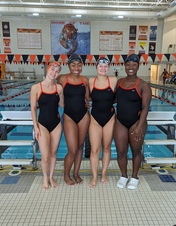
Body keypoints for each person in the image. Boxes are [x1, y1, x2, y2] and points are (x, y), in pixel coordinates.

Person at [114, 54, 152, 190]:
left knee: (136, 150)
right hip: (120, 122)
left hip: (137, 122)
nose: (130, 67)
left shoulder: (143, 85)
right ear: (124, 66)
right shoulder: (119, 82)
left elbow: (145, 107)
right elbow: (112, 99)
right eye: (128, 64)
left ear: (138, 66)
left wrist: (140, 126)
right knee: (121, 151)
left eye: (134, 65)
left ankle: (135, 176)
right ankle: (124, 176)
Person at [57, 54, 91, 185]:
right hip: (69, 116)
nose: (76, 67)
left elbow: (88, 98)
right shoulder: (62, 79)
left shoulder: (85, 80)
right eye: (73, 65)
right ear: (69, 66)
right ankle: (66, 175)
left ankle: (76, 173)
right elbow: (54, 92)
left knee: (80, 146)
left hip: (83, 116)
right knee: (72, 149)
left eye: (79, 65)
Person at [30, 62, 64, 190]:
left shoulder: (59, 88)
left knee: (53, 152)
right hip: (42, 124)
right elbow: (33, 109)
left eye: (57, 71)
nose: (54, 72)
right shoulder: (36, 88)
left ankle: (51, 176)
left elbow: (61, 105)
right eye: (52, 69)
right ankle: (45, 178)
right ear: (47, 70)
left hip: (56, 124)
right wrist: (36, 127)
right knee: (45, 155)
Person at [88, 57, 117, 188]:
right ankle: (94, 176)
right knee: (94, 150)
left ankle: (104, 173)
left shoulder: (113, 80)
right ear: (96, 67)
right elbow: (88, 97)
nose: (103, 68)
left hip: (110, 118)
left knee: (106, 148)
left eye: (106, 66)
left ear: (108, 68)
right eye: (101, 66)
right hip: (95, 119)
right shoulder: (90, 81)